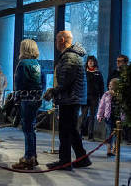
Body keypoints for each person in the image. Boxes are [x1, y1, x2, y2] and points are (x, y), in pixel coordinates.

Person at [44, 31, 91, 170]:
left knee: (65, 131)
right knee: (71, 130)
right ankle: (82, 159)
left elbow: (66, 81)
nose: (56, 43)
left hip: (70, 99)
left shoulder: (69, 56)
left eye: (56, 40)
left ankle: (64, 161)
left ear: (62, 40)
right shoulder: (72, 55)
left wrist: (52, 91)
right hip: (72, 98)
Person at [12, 39, 43, 170]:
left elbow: (20, 83)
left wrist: (16, 98)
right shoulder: (36, 63)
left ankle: (28, 158)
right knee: (32, 128)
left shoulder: (23, 63)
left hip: (27, 98)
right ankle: (33, 156)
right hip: (36, 98)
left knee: (27, 129)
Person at [80, 56, 104, 141]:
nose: (90, 62)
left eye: (92, 61)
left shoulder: (98, 73)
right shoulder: (83, 72)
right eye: (89, 61)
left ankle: (90, 135)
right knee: (83, 116)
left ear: (95, 62)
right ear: (87, 62)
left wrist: (102, 97)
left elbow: (101, 86)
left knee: (92, 117)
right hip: (85, 97)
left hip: (95, 97)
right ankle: (80, 134)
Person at [97, 78, 121, 157]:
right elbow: (101, 106)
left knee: (118, 134)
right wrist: (100, 115)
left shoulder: (120, 94)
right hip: (109, 116)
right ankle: (109, 149)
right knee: (109, 133)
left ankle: (115, 149)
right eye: (109, 85)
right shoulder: (106, 94)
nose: (109, 87)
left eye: (111, 85)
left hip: (118, 118)